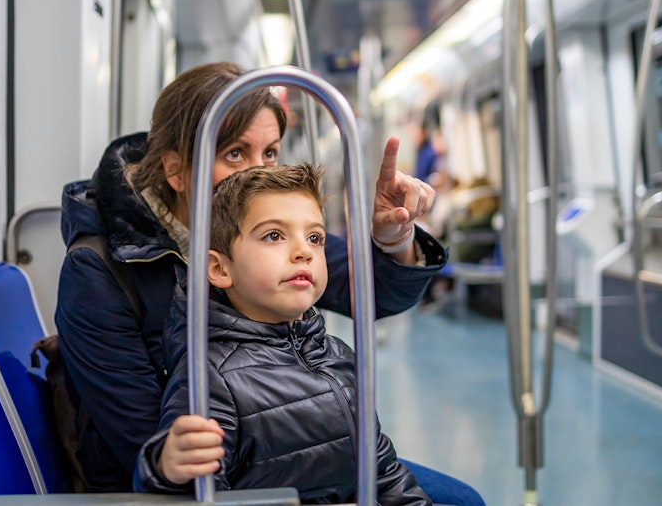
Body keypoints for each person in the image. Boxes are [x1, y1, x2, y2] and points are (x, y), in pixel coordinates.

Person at [55, 61, 448, 493]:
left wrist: (393, 239)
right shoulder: (100, 270)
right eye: (235, 154)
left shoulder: (269, 227)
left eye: (271, 152)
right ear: (176, 170)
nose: (257, 172)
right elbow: (147, 444)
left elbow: (368, 293)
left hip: (284, 443)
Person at [135, 163, 431, 505]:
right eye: (274, 235)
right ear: (219, 268)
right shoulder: (210, 379)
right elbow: (195, 491)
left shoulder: (337, 355)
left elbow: (381, 471)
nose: (303, 251)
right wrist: (166, 471)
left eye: (315, 237)